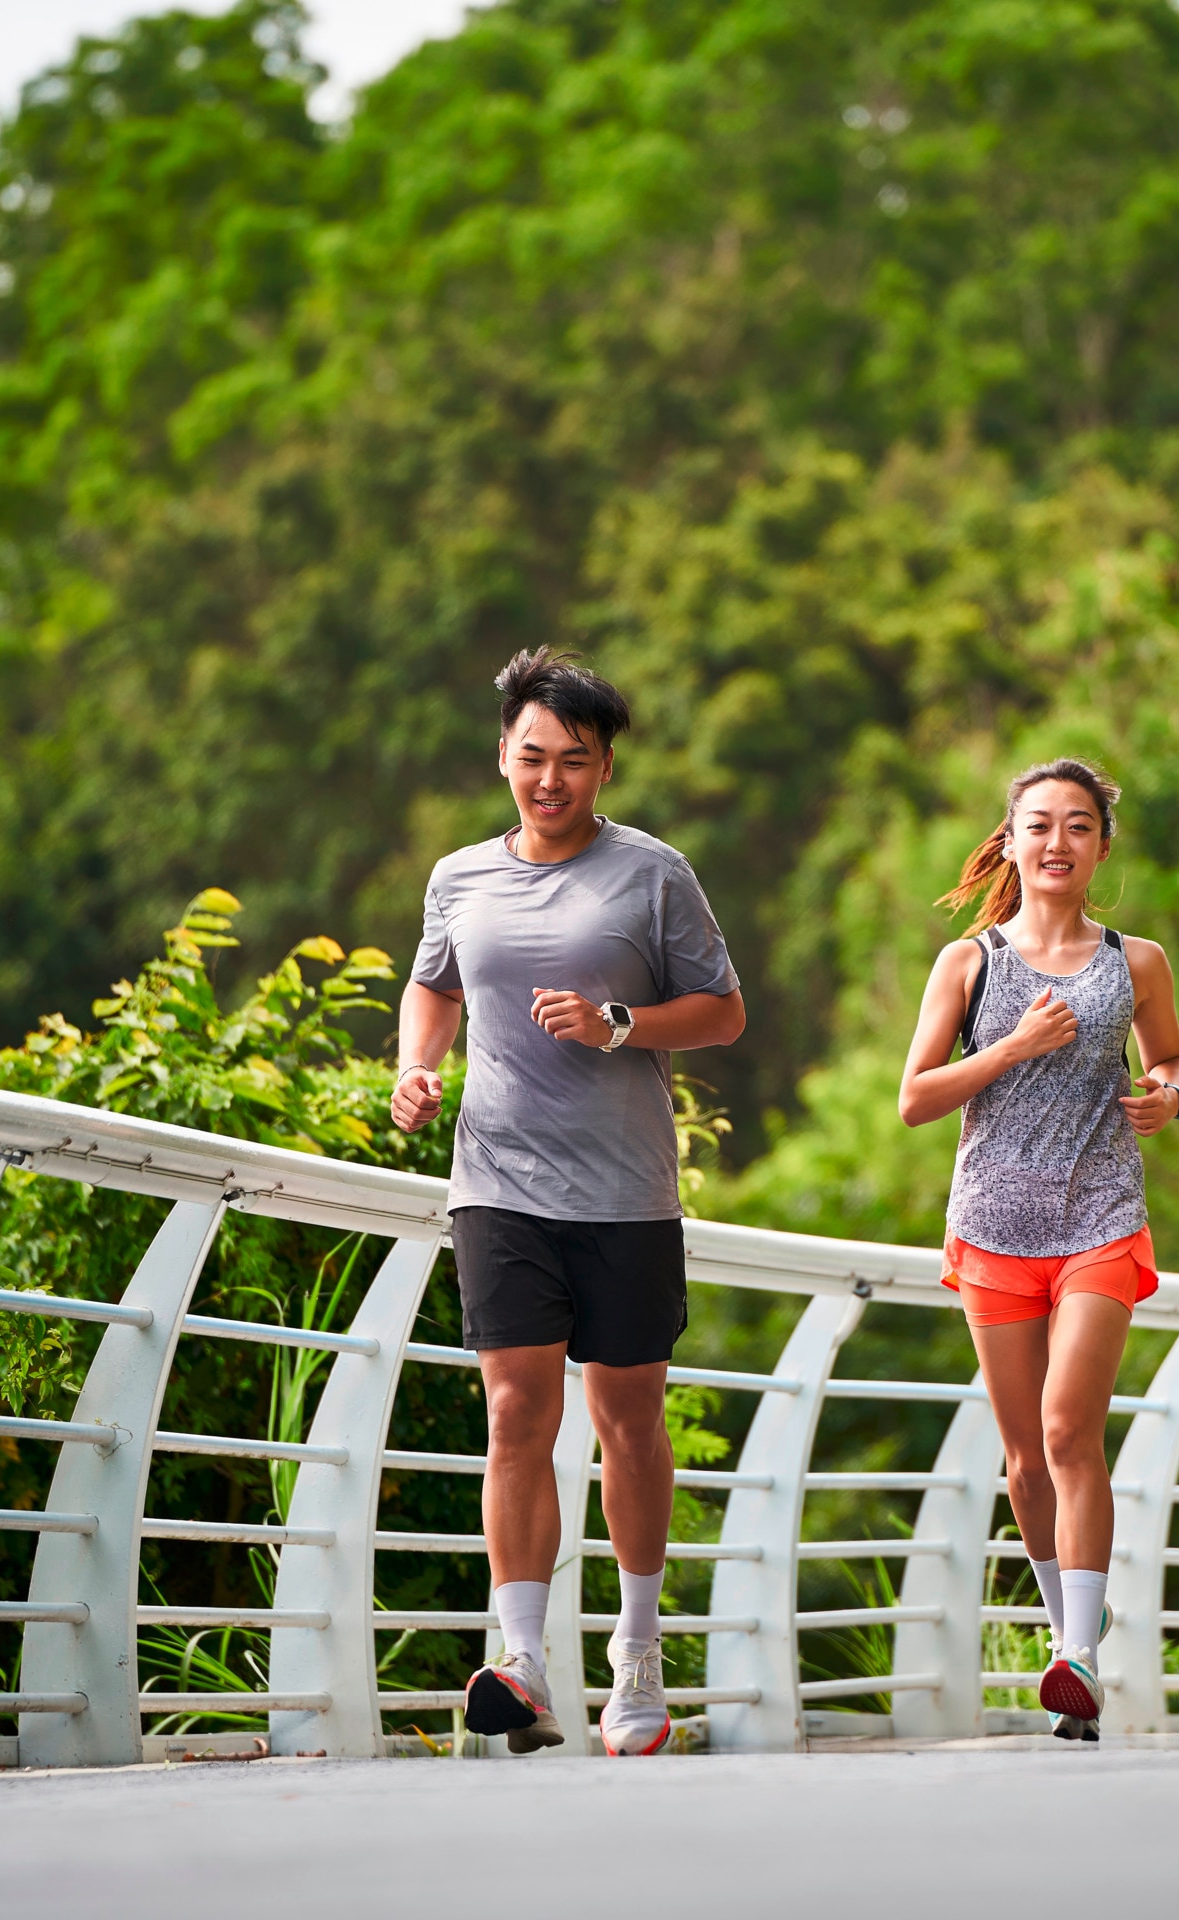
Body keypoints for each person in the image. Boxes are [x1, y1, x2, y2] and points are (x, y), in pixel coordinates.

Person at [392, 647, 746, 1758]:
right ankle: (521, 1659)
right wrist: (417, 1066)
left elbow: (725, 1013)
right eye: (532, 757)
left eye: (575, 763)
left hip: (627, 1191)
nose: (550, 780)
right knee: (515, 1414)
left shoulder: (652, 874)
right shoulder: (458, 877)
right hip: (497, 1181)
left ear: (605, 771)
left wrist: (622, 1025)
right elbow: (434, 982)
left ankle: (636, 1664)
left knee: (628, 1424)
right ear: (502, 753)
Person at [897, 759, 1179, 1742]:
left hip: (1101, 1219)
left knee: (1070, 1430)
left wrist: (1171, 1095)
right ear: (1013, 841)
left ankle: (1076, 1655)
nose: (1057, 842)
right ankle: (1073, 1609)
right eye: (1039, 825)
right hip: (992, 1227)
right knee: (1026, 1459)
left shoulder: (1134, 960)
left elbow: (1174, 1057)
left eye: (1078, 826)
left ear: (1102, 845)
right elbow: (916, 1099)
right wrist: (1014, 1047)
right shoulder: (969, 965)